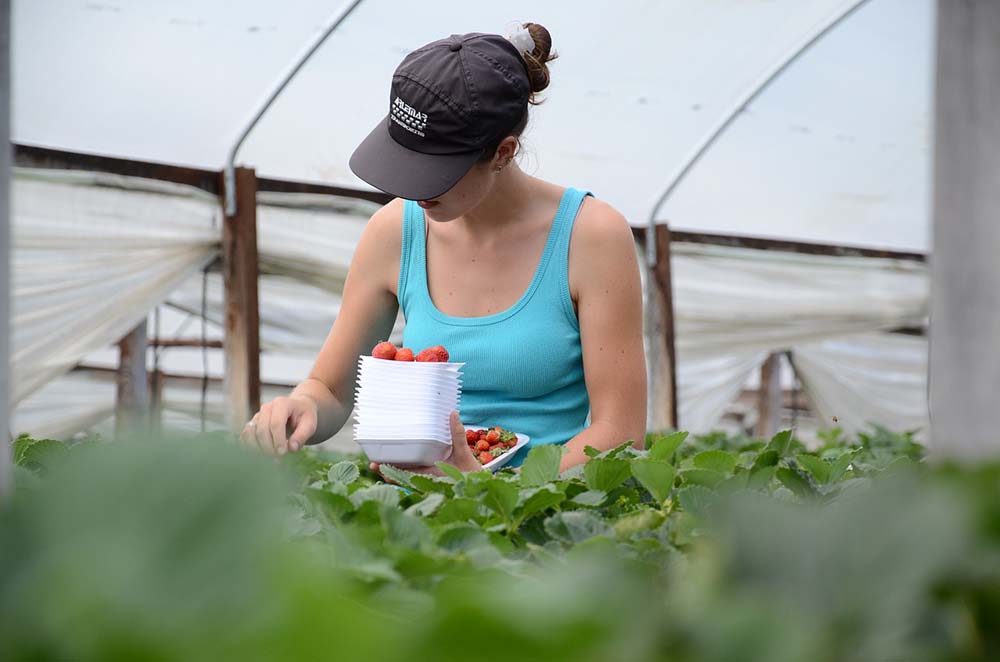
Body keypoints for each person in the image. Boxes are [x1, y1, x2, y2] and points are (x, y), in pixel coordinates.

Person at [241, 23, 646, 474]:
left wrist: (495, 490)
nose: (414, 191)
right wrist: (302, 408)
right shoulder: (395, 231)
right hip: (424, 516)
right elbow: (331, 389)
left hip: (542, 514)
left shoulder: (591, 235)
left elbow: (620, 431)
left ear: (503, 152)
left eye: (434, 172)